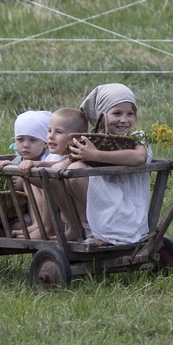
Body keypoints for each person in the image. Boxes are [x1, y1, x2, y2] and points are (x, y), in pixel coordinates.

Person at [66, 83, 151, 245]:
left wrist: (96, 155)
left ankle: (108, 233)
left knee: (77, 170)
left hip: (127, 210)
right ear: (102, 115)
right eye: (117, 113)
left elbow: (139, 158)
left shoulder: (137, 138)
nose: (124, 120)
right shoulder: (94, 139)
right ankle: (90, 229)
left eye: (130, 114)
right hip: (105, 201)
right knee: (72, 170)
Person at [12, 108, 88, 239]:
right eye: (49, 131)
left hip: (65, 206)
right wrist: (12, 165)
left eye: (58, 132)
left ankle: (48, 228)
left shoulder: (73, 155)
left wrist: (38, 164)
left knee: (47, 178)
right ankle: (39, 224)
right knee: (34, 178)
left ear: (76, 138)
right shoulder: (52, 156)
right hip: (58, 202)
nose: (51, 136)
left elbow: (61, 165)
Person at [0, 110, 51, 236]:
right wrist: (8, 169)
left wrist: (24, 179)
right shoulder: (17, 160)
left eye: (33, 140)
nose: (25, 145)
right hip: (23, 211)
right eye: (20, 139)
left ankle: (38, 225)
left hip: (47, 213)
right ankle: (7, 232)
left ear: (44, 143)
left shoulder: (47, 159)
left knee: (32, 182)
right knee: (16, 223)